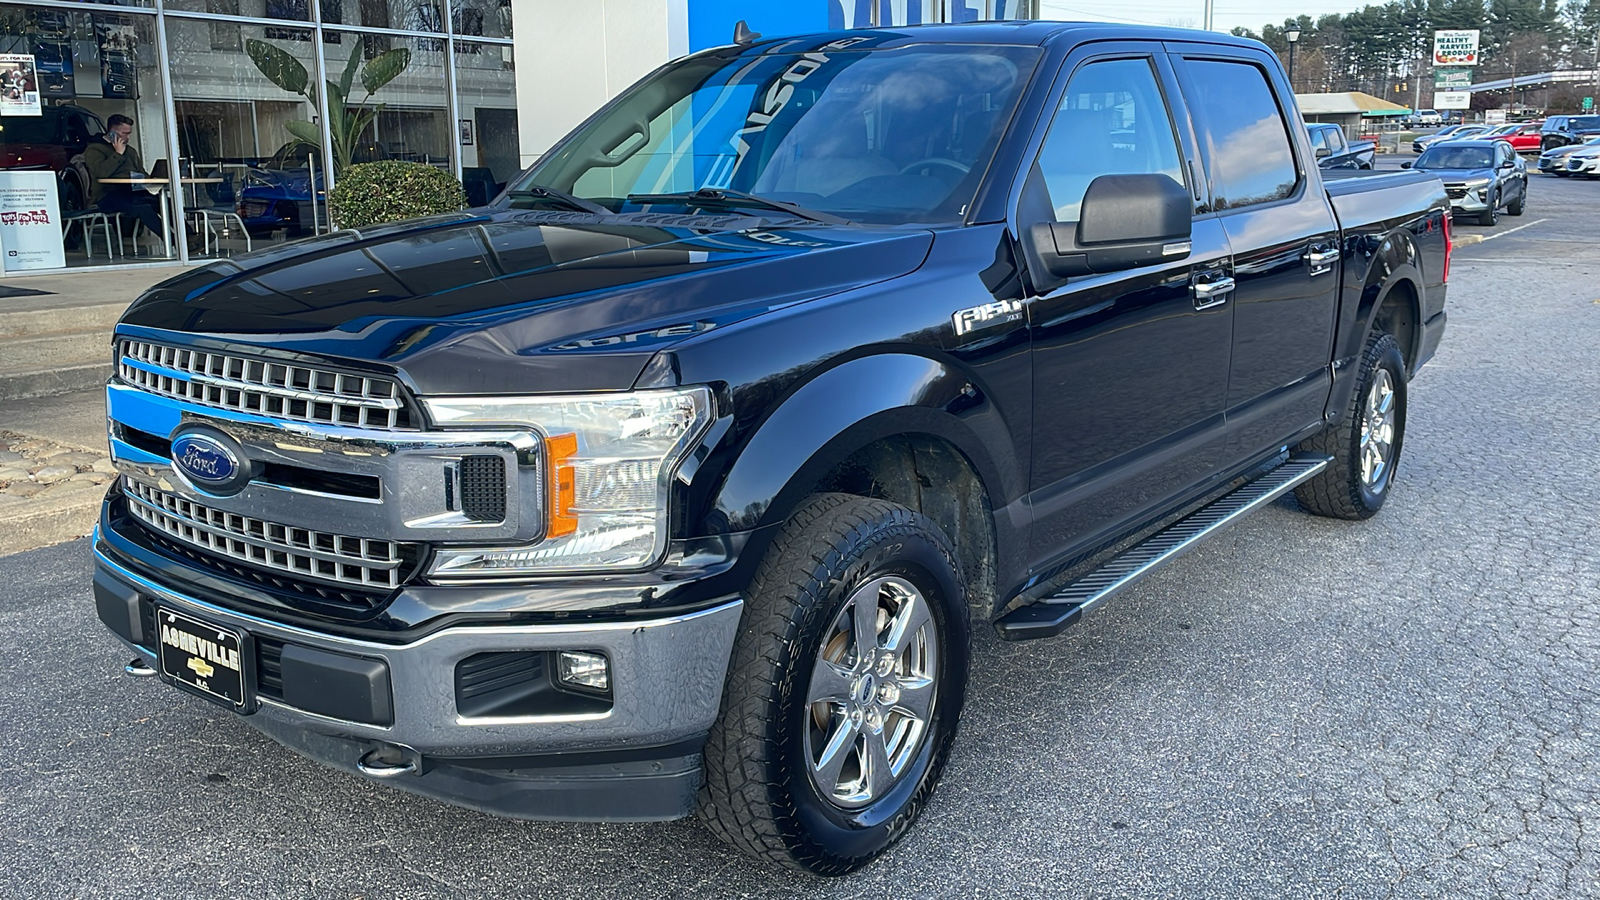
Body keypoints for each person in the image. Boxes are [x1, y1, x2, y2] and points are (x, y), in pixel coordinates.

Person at [82, 114, 201, 254]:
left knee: (167, 203)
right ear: (112, 132)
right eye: (124, 133)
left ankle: (190, 236)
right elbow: (101, 172)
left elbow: (141, 172)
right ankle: (176, 243)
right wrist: (118, 154)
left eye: (129, 133)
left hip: (133, 192)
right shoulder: (95, 150)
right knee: (143, 209)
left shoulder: (130, 151)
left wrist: (152, 179)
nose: (128, 137)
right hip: (108, 195)